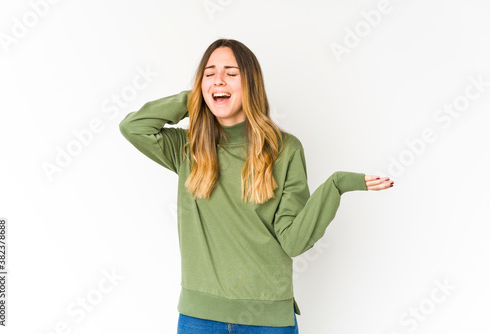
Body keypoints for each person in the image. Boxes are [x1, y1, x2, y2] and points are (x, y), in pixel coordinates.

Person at [119, 38, 394, 333]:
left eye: (231, 74)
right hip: (198, 318)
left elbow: (294, 241)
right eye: (209, 74)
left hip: (267, 321)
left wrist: (336, 185)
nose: (218, 80)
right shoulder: (189, 148)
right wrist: (196, 98)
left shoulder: (284, 150)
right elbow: (133, 127)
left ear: (250, 84)